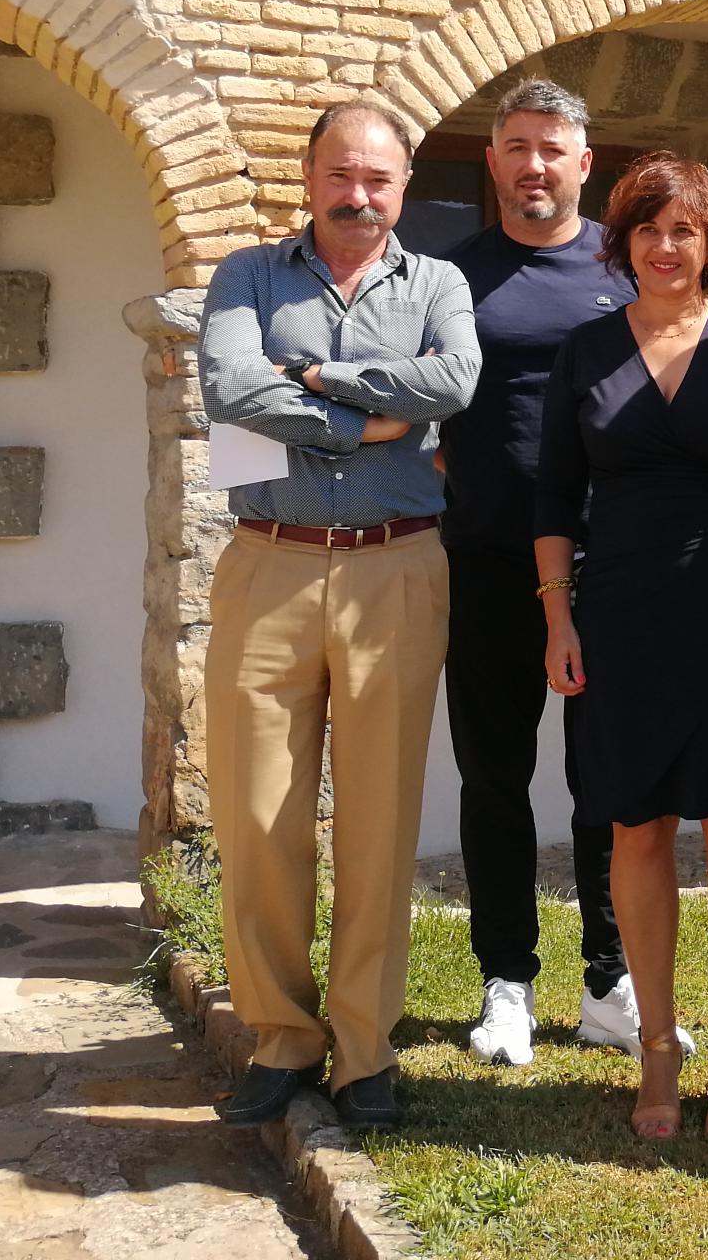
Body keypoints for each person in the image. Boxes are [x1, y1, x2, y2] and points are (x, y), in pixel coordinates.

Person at [197, 100, 481, 1131]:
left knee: (378, 820)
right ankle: (281, 1038)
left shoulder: (438, 283)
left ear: (403, 186)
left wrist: (315, 379)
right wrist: (370, 421)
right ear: (309, 177)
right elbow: (229, 387)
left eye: (378, 179)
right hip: (267, 566)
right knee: (256, 817)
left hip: (394, 568)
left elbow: (454, 380)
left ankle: (364, 1051)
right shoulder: (247, 275)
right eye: (340, 175)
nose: (358, 196)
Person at [534, 152, 708, 1141]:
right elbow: (552, 499)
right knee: (637, 826)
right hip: (620, 618)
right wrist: (558, 619)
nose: (666, 247)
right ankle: (657, 1046)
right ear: (624, 244)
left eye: (684, 231)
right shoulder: (585, 350)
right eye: (649, 231)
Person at [422, 79, 682, 1069]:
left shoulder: (626, 268)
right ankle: (507, 984)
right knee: (495, 777)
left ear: (585, 163)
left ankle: (611, 983)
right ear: (493, 162)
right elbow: (417, 405)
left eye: (552, 148)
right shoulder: (450, 276)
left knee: (606, 781)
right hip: (485, 561)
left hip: (612, 569)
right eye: (517, 147)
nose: (534, 165)